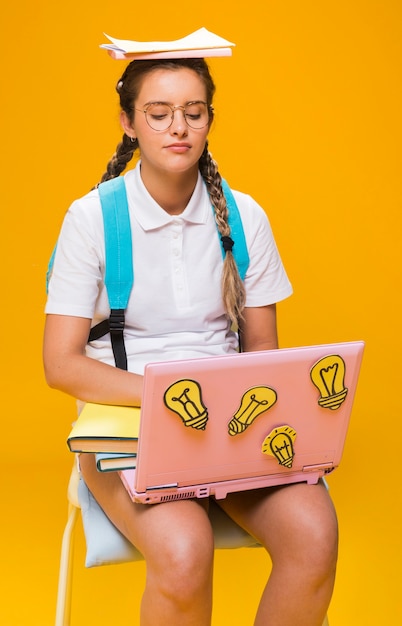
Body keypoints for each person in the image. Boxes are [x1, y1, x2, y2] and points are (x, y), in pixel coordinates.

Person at [43, 51, 338, 626]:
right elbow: (61, 365)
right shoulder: (92, 219)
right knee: (184, 552)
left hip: (231, 425)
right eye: (158, 113)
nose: (178, 128)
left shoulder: (244, 216)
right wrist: (169, 392)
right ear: (129, 122)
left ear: (208, 118)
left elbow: (262, 352)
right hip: (129, 425)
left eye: (193, 112)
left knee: (314, 536)